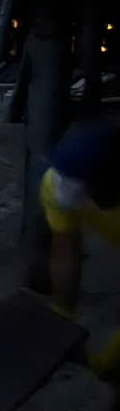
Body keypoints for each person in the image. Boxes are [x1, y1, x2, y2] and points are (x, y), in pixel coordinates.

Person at [41, 122, 120, 378]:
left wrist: (106, 361)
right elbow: (66, 253)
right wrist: (61, 318)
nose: (68, 190)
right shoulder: (56, 183)